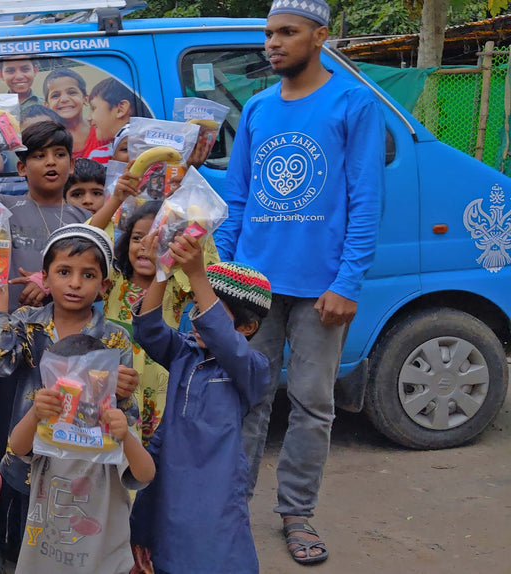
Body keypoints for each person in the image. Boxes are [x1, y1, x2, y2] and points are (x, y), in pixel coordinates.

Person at [216, 0, 384, 564]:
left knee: (312, 404)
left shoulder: (353, 103)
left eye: (287, 32)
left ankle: (296, 513)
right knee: (248, 398)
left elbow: (366, 199)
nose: (273, 43)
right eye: (269, 34)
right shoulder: (258, 108)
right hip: (253, 285)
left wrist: (348, 282)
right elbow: (238, 199)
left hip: (321, 290)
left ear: (320, 36)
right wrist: (223, 277)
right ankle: (230, 506)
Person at [0, 224, 138, 566]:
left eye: (88, 275)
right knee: (25, 543)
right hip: (31, 458)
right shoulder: (28, 323)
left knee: (73, 545)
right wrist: (0, 300)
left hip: (86, 466)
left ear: (104, 286)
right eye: (64, 272)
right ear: (46, 279)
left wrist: (123, 391)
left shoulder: (114, 339)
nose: (75, 283)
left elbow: (126, 415)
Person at [130, 232, 273, 574]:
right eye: (195, 305)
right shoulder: (185, 352)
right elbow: (148, 330)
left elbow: (225, 340)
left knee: (214, 558)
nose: (196, 316)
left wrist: (197, 273)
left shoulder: (251, 368)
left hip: (215, 494)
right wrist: (162, 269)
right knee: (164, 555)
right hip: (168, 483)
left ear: (248, 327)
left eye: (209, 309)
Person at [8, 333, 155, 574]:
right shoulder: (48, 428)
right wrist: (34, 413)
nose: (75, 396)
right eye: (63, 384)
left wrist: (127, 437)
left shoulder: (111, 431)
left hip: (101, 563)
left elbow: (146, 474)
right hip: (44, 561)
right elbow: (17, 446)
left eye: (84, 385)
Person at [0, 120, 91, 307]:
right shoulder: (4, 206)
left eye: (59, 154)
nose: (51, 161)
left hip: (66, 322)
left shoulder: (86, 219)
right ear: (22, 168)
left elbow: (99, 283)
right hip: (8, 321)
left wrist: (49, 281)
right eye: (39, 156)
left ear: (71, 165)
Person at [42, 68, 96, 159]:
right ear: (46, 106)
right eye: (55, 95)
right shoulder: (44, 140)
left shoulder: (102, 134)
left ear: (85, 99)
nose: (64, 99)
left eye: (72, 92)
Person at [86, 78, 141, 164]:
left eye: (93, 108)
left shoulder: (152, 152)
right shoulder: (96, 156)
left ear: (120, 109)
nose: (89, 118)